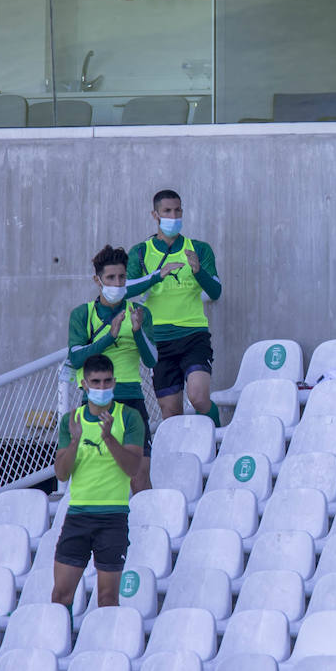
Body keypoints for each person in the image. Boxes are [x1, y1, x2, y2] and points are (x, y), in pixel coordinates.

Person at [52, 354, 144, 615]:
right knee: (60, 595)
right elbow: (61, 473)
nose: (102, 388)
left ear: (114, 382)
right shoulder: (71, 421)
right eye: (96, 382)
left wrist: (108, 438)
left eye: (106, 382)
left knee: (107, 598)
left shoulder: (129, 417)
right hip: (78, 516)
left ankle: (106, 654)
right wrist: (74, 441)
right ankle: (62, 648)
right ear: (84, 384)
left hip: (113, 517)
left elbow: (133, 468)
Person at [66, 245, 159, 493]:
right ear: (98, 280)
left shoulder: (140, 312)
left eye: (121, 277)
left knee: (140, 475)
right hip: (95, 402)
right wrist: (110, 336)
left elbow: (151, 360)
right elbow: (76, 358)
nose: (117, 283)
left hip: (132, 401)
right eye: (110, 278)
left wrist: (138, 332)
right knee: (98, 475)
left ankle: (146, 527)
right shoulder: (82, 314)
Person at [126, 189, 222, 423]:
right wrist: (157, 276)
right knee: (170, 413)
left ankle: (219, 444)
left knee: (198, 397)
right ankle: (182, 457)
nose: (173, 215)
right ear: (155, 214)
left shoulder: (198, 248)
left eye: (177, 210)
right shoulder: (140, 252)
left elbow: (216, 292)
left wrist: (199, 272)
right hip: (158, 341)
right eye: (167, 211)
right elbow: (126, 290)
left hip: (193, 334)